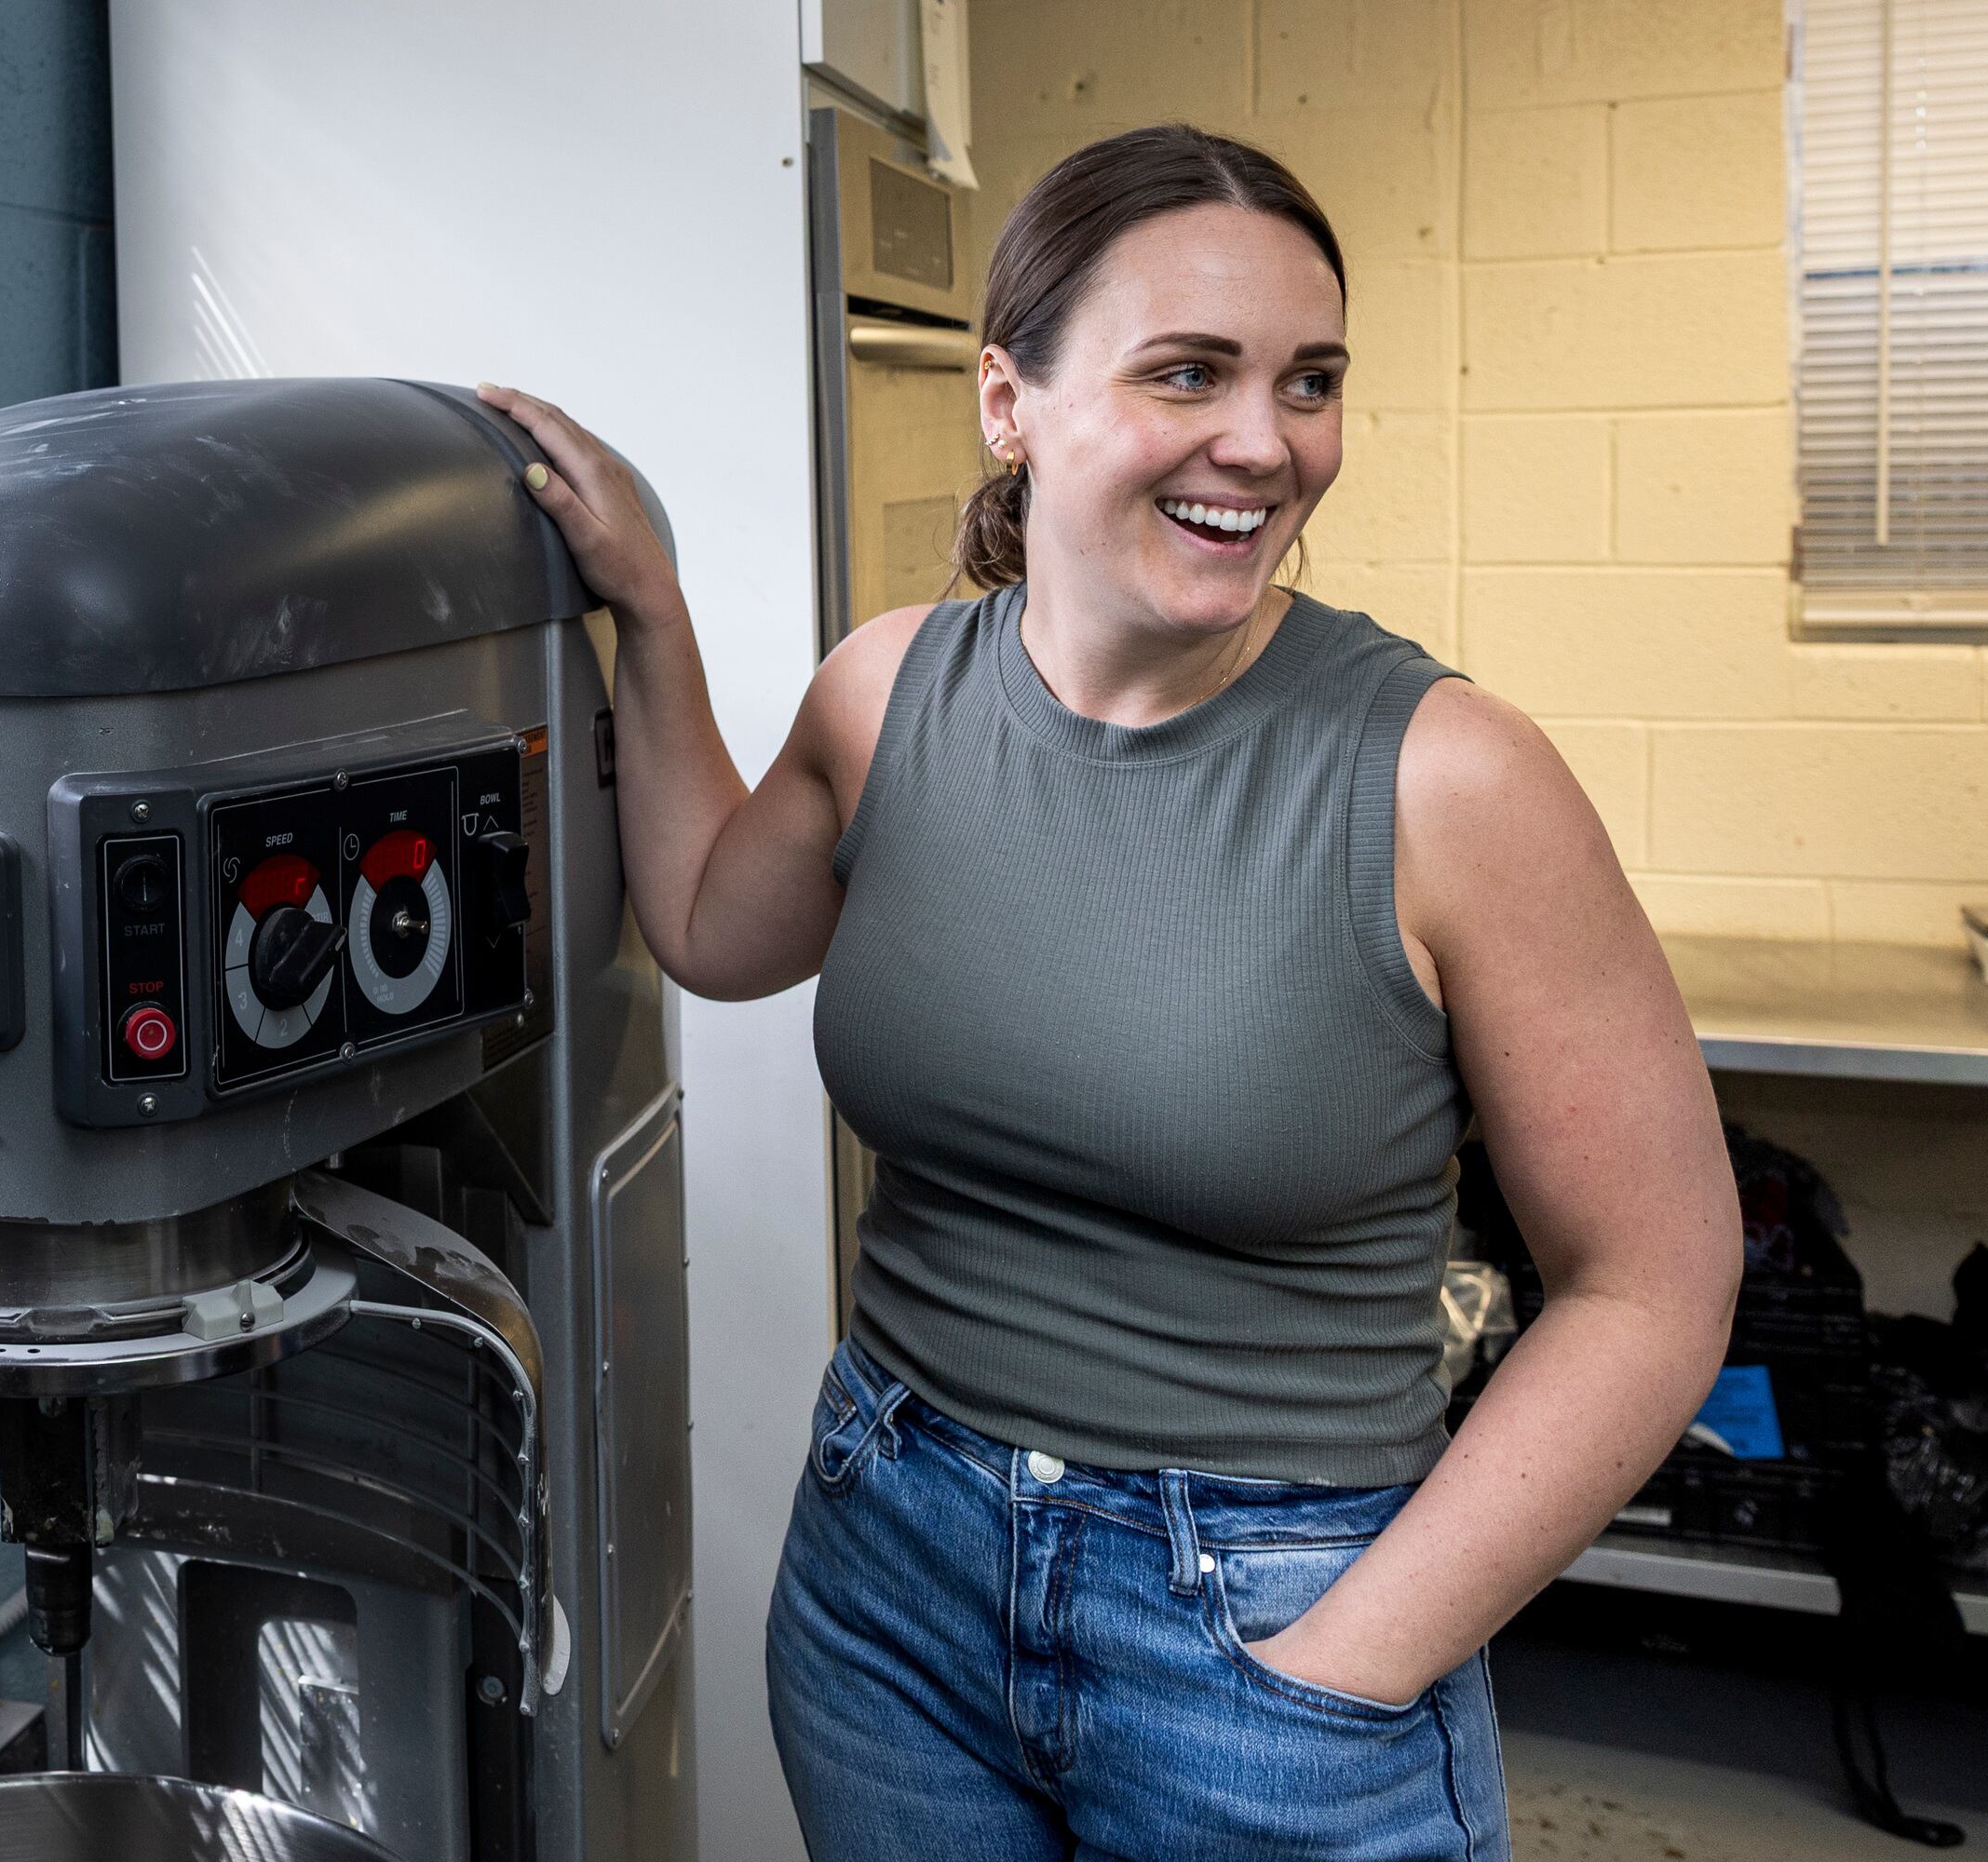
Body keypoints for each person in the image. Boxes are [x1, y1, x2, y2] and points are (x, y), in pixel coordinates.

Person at [478, 122, 1741, 1861]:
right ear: (1012, 402)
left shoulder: (1449, 782)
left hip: (1268, 1632)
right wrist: (656, 617)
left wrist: (1350, 1665)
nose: (1266, 442)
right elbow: (708, 922)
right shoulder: (890, 695)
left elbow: (1656, 1285)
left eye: (1311, 380)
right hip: (888, 1589)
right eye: (1189, 373)